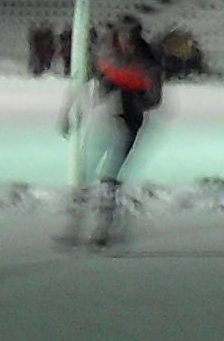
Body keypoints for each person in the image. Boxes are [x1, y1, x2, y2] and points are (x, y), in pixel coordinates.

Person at [59, 15, 161, 247]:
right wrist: (69, 113)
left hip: (128, 122)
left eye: (134, 37)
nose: (129, 42)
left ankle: (103, 229)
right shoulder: (104, 53)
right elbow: (80, 83)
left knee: (109, 180)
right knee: (85, 175)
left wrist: (130, 97)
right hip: (102, 119)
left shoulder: (149, 61)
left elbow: (155, 98)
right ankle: (74, 226)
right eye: (126, 37)